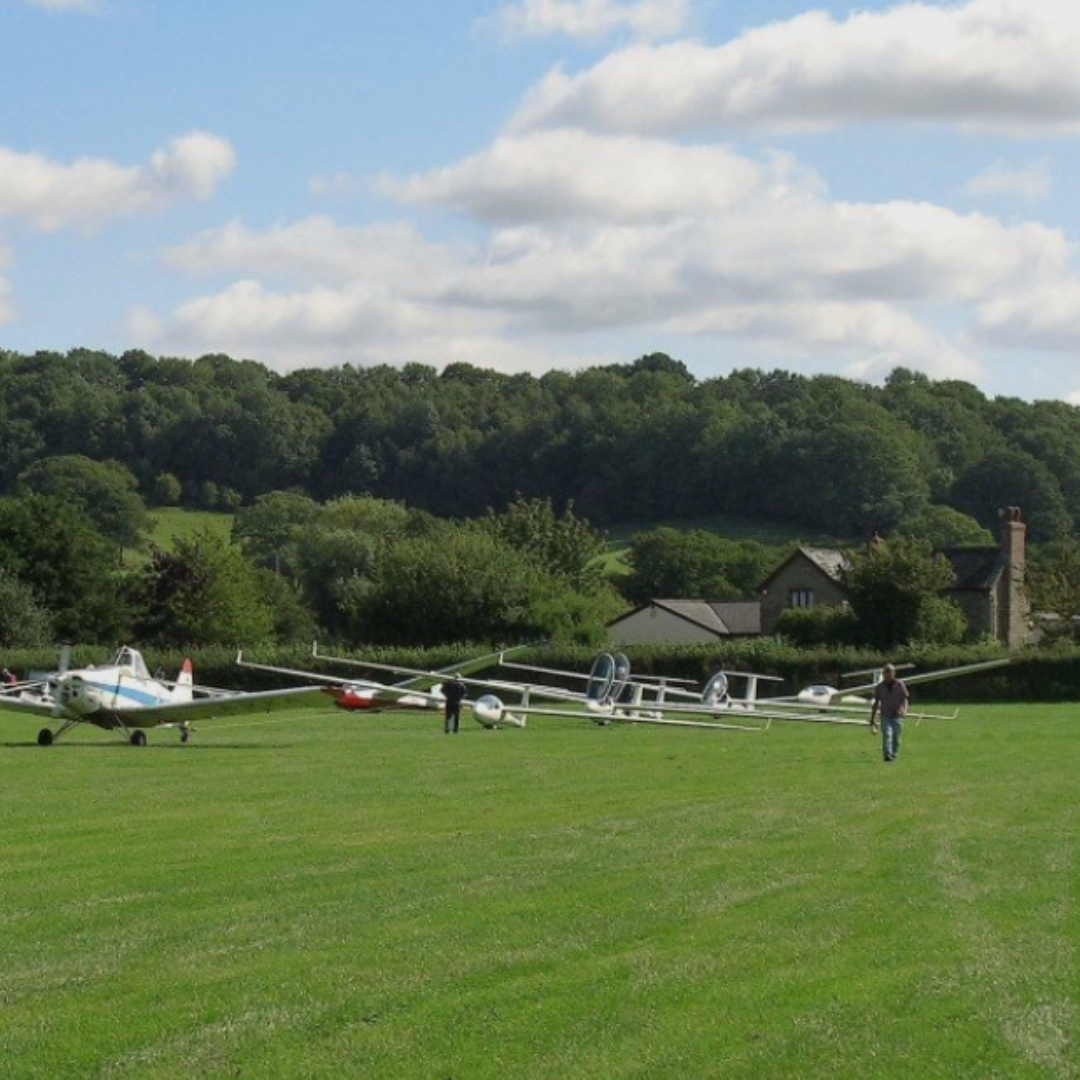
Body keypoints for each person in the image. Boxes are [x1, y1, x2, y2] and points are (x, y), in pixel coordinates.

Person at [870, 663, 909, 762]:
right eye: (885, 673)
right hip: (885, 715)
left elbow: (905, 699)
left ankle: (894, 755)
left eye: (889, 673)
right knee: (887, 735)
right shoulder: (879, 687)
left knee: (897, 739)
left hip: (897, 715)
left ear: (894, 673)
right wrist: (872, 718)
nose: (887, 675)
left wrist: (905, 710)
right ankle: (887, 756)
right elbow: (876, 703)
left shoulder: (900, 684)